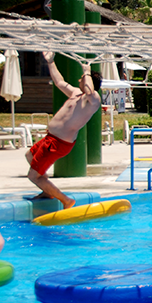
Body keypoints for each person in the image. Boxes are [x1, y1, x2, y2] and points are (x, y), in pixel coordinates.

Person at [26, 52, 103, 209]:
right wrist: (50, 62)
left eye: (82, 79)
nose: (79, 80)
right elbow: (59, 82)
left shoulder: (93, 100)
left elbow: (89, 90)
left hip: (58, 143)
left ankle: (66, 200)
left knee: (33, 176)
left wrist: (87, 71)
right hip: (50, 138)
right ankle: (47, 190)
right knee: (29, 155)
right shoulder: (76, 93)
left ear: (89, 81)